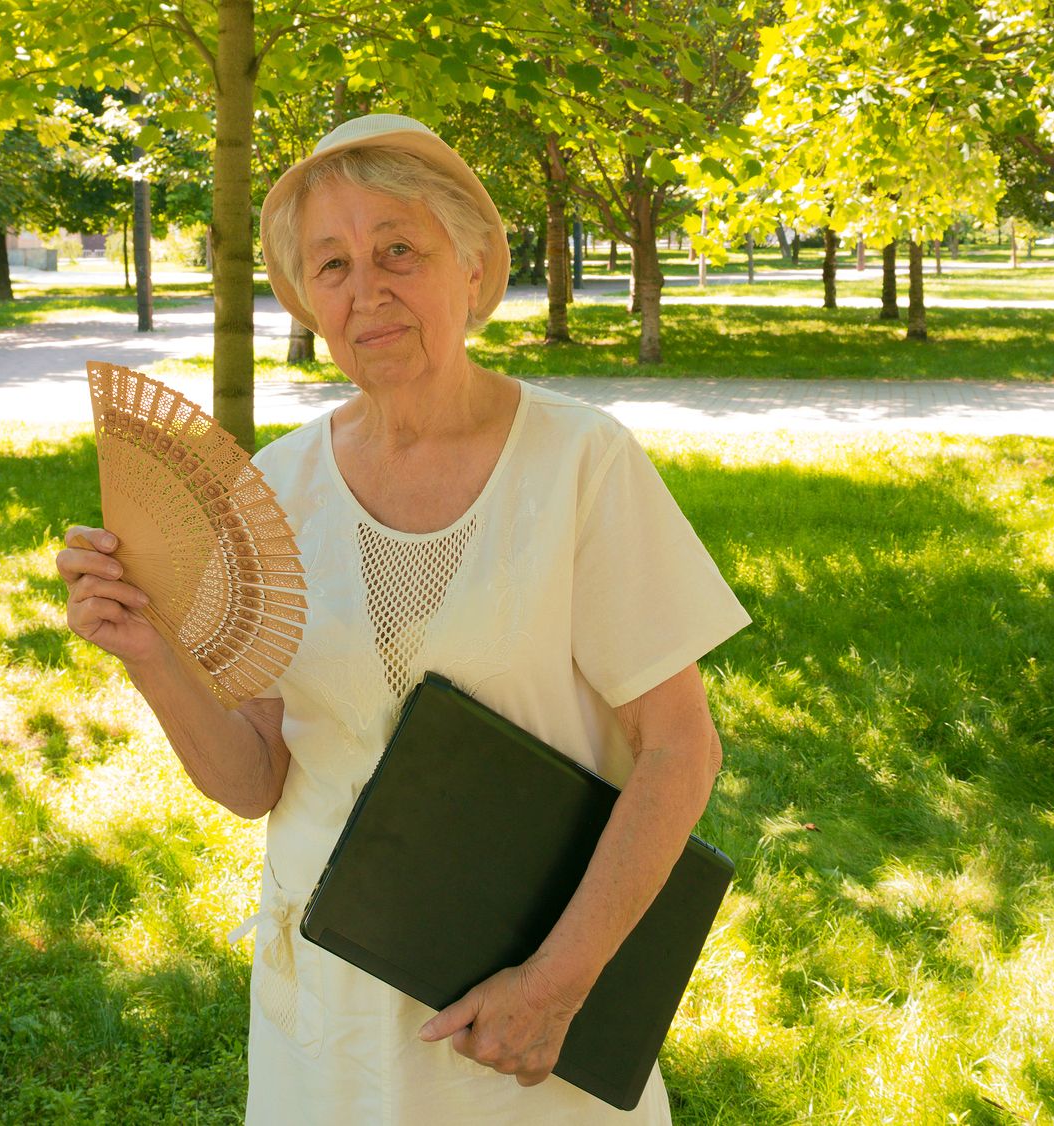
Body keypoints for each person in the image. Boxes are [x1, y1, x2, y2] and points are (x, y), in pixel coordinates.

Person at [57, 114, 750, 1124]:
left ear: (470, 269)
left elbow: (677, 749)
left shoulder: (579, 463)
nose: (364, 288)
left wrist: (553, 988)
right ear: (307, 300)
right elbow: (255, 780)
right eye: (330, 264)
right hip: (327, 1016)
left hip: (519, 1006)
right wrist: (149, 653)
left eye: (397, 250)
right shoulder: (276, 488)